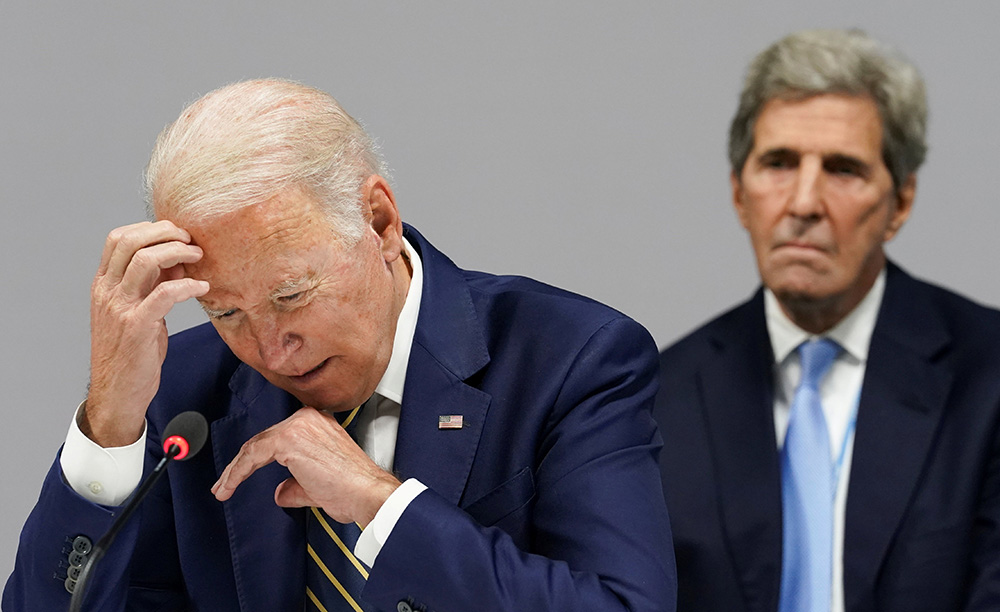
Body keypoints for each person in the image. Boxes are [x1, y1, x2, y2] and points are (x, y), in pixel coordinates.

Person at [3, 79, 676, 612]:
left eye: (292, 296)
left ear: (379, 222)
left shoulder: (573, 358)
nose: (270, 350)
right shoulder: (180, 393)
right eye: (225, 311)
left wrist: (381, 506)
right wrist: (110, 425)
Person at [654, 29, 1000, 612]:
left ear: (901, 203)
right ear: (740, 193)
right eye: (779, 163)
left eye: (843, 169)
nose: (805, 202)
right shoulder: (663, 396)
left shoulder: (989, 375)